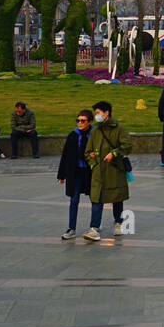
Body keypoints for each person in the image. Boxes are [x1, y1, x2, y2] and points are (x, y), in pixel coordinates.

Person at [84, 101, 131, 242]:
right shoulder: (95, 131)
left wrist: (114, 153)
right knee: (96, 199)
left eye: (98, 112)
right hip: (99, 172)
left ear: (106, 113)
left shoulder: (119, 129)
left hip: (114, 170)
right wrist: (94, 164)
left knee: (117, 197)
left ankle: (118, 222)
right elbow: (87, 152)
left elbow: (127, 145)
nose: (97, 115)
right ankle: (94, 228)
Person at [57, 109, 93, 239]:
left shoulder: (94, 134)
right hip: (76, 172)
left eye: (83, 121)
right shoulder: (73, 135)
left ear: (89, 122)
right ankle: (71, 228)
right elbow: (65, 156)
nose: (79, 123)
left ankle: (94, 227)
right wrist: (61, 175)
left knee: (95, 199)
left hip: (91, 172)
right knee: (74, 199)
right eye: (78, 120)